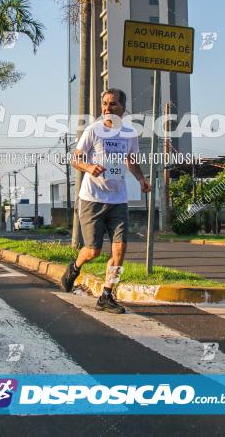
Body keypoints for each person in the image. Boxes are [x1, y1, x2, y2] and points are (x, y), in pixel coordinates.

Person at [60, 88, 150, 314]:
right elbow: (75, 159)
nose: (107, 109)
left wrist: (141, 179)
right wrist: (89, 167)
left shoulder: (129, 133)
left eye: (113, 105)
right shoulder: (94, 130)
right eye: (105, 104)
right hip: (92, 198)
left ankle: (107, 295)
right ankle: (74, 267)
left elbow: (131, 161)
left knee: (120, 250)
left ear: (123, 108)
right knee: (93, 251)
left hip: (118, 200)